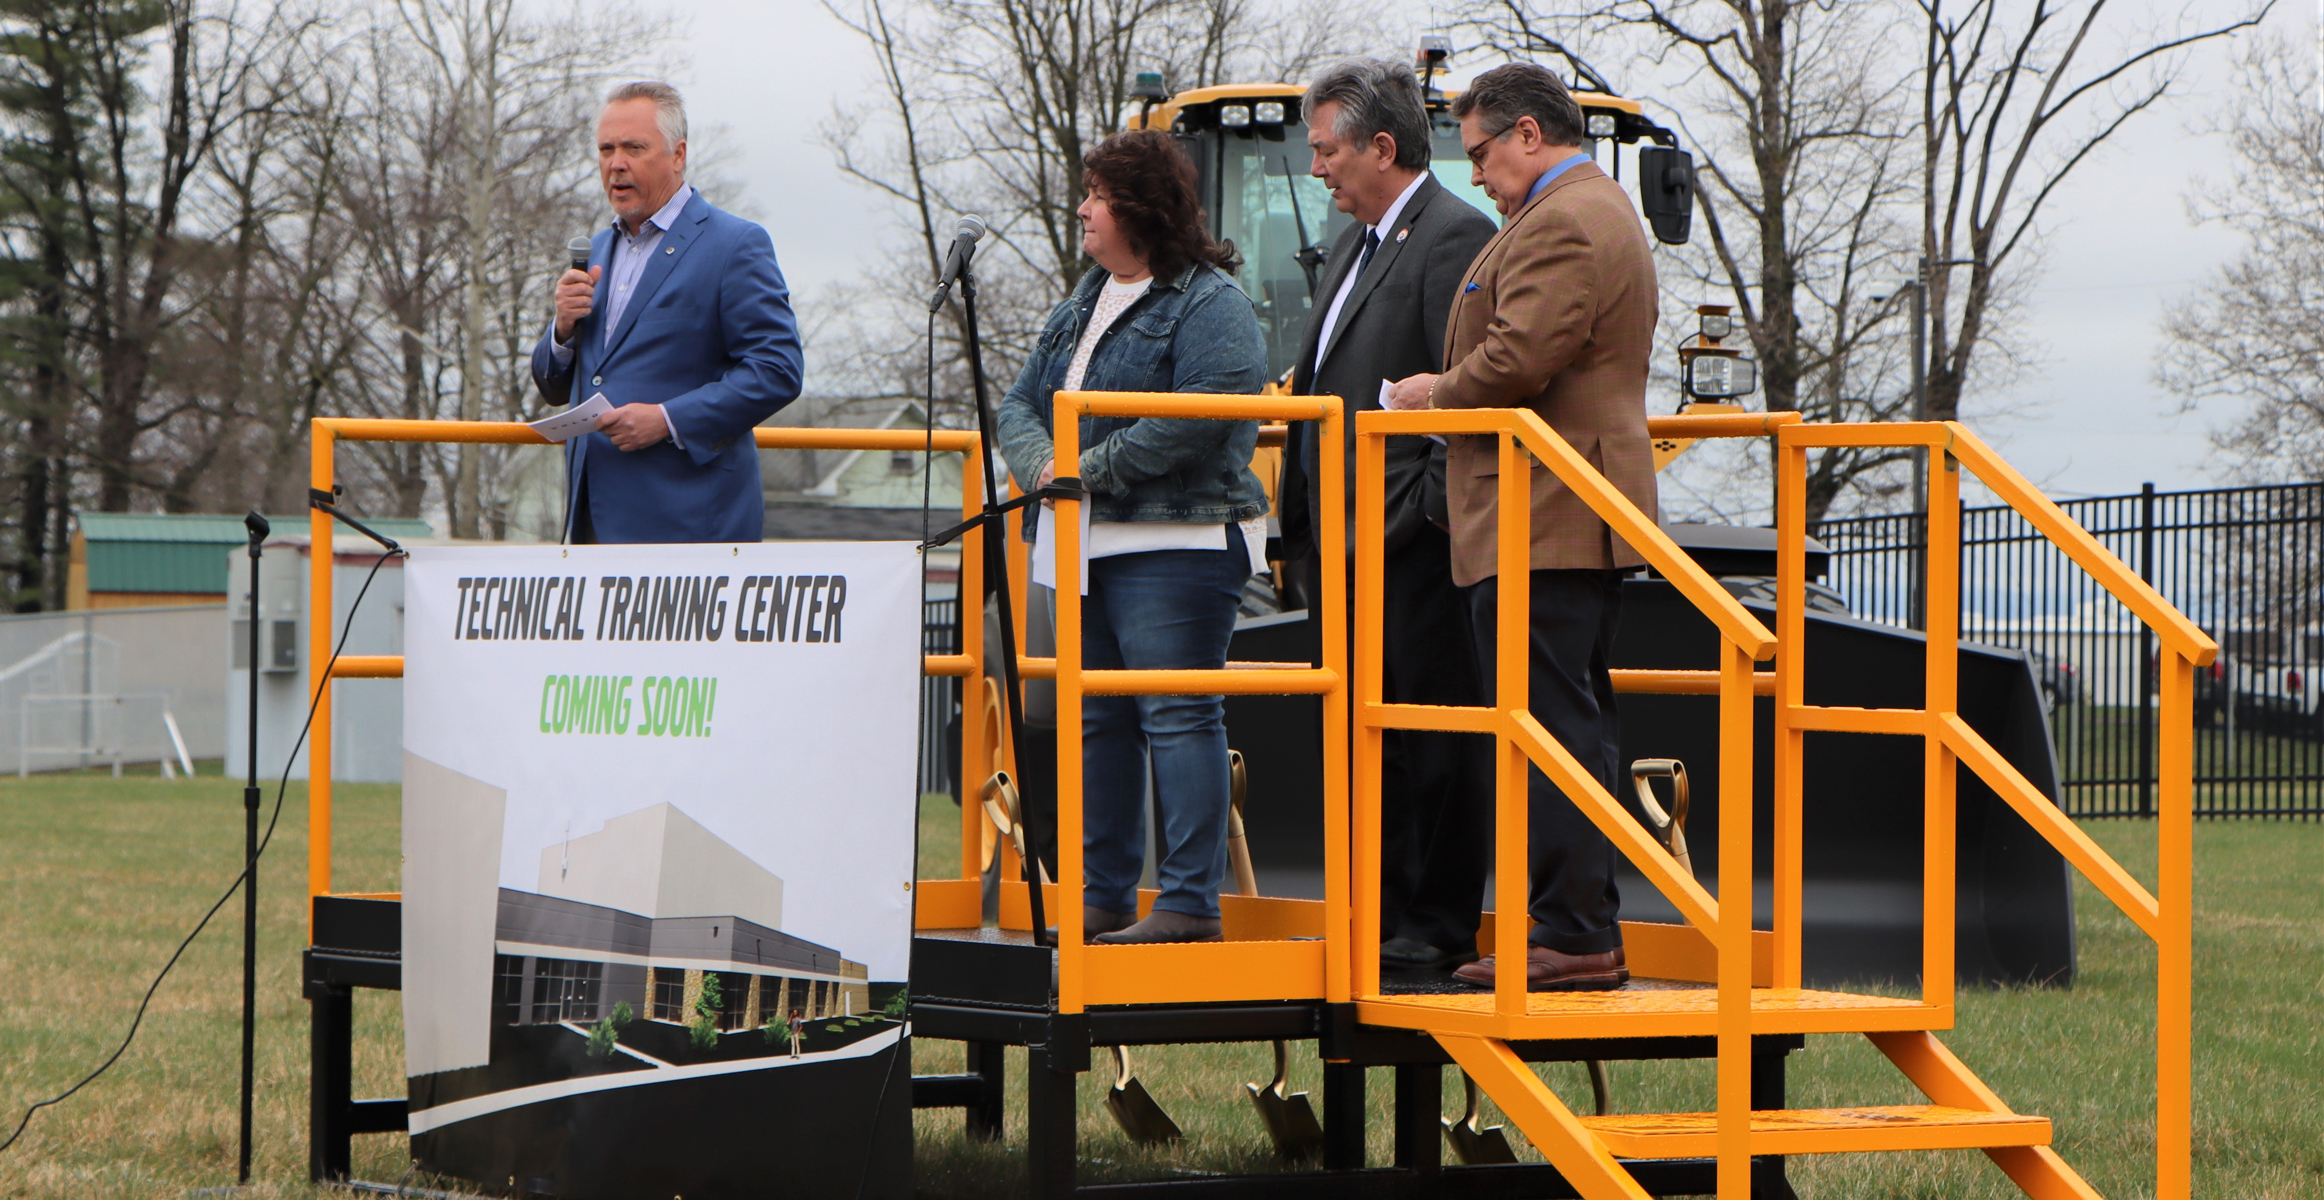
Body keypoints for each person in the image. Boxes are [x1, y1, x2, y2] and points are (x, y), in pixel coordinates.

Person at [1384, 62, 1660, 992]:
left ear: (1529, 134)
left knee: (1553, 731)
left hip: (1545, 514)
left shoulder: (1567, 220)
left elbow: (1516, 358)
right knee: (1565, 722)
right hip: (1552, 511)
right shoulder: (1580, 209)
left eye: (1483, 156)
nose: (1480, 180)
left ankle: (1575, 931)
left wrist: (1432, 394)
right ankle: (1577, 923)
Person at [994, 129, 1269, 945]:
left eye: (1097, 195)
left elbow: (1207, 410)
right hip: (1081, 541)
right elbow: (1017, 406)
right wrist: (1046, 464)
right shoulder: (1084, 295)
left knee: (1178, 714)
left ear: (1140, 209)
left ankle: (1188, 905)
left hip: (1174, 545)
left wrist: (1088, 469)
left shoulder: (1209, 302)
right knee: (1099, 719)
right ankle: (1104, 894)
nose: (1082, 208)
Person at [1276, 59, 1499, 974]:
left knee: (1432, 730)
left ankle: (1437, 924)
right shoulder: (1348, 248)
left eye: (1326, 151)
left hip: (1411, 538)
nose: (1317, 168)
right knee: (1371, 734)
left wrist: (1422, 514)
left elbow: (1477, 385)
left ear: (1380, 145)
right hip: (1340, 537)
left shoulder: (1456, 238)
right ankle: (1381, 913)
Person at [532, 81, 803, 544]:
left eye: (634, 148)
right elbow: (557, 387)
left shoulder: (734, 244)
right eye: (606, 149)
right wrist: (561, 331)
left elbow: (777, 369)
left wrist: (668, 419)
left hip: (690, 526)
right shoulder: (595, 249)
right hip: (592, 523)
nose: (616, 163)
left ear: (678, 155)